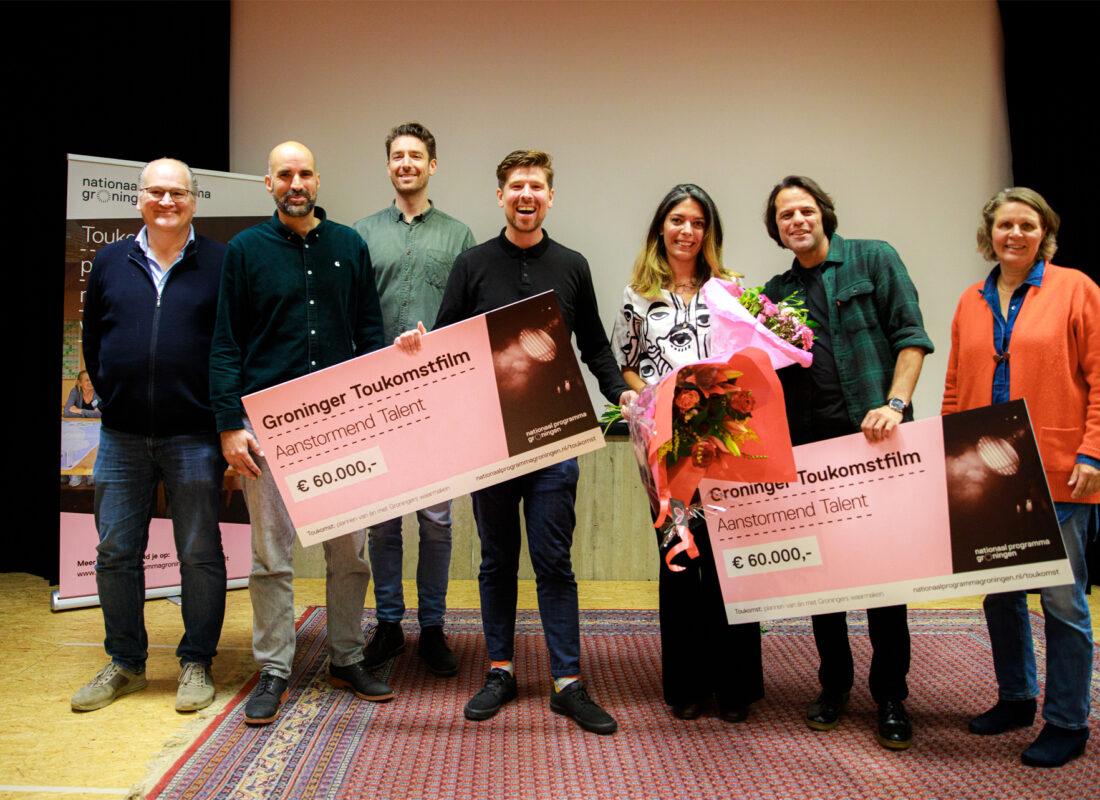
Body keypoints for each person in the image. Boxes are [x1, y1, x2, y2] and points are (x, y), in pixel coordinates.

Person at [396, 150, 637, 735]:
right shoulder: (473, 264)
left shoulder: (573, 265)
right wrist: (419, 347)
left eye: (535, 187)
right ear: (500, 196)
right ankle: (499, 670)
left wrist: (621, 394)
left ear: (550, 197)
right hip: (490, 442)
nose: (525, 195)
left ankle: (567, 682)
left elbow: (596, 348)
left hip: (556, 440)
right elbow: (449, 339)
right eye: (515, 187)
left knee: (555, 561)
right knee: (497, 560)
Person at [210, 141, 391, 726]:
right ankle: (275, 668)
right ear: (269, 184)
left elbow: (369, 334)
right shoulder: (243, 251)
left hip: (342, 425)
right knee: (270, 558)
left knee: (350, 552)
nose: (296, 182)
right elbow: (226, 345)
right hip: (266, 432)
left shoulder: (349, 246)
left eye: (305, 173)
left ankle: (346, 655)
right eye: (285, 173)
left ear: (318, 180)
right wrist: (229, 427)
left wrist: (377, 414)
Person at [762, 175, 933, 750]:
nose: (797, 221)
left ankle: (890, 696)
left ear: (823, 214)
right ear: (777, 228)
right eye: (785, 216)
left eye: (804, 210)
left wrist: (895, 404)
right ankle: (833, 685)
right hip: (811, 455)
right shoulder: (774, 291)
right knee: (823, 580)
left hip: (876, 443)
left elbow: (911, 336)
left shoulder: (873, 258)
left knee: (885, 577)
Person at [942, 187, 1098, 768]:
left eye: (1027, 225)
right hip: (988, 475)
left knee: (1063, 603)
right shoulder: (969, 301)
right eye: (1005, 225)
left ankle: (1066, 720)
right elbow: (956, 385)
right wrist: (950, 459)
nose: (1015, 234)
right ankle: (1015, 697)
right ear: (990, 235)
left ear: (1044, 233)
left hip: (1060, 473)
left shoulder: (1077, 289)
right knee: (1000, 595)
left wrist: (1093, 454)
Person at [72, 158, 227, 713]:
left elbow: (231, 347)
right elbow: (95, 341)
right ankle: (126, 664)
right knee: (115, 551)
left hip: (195, 435)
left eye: (177, 193)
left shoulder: (219, 262)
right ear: (139, 197)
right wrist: (116, 396)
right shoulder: (113, 260)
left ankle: (196, 663)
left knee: (200, 552)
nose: (167, 201)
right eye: (156, 192)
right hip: (122, 435)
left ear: (193, 199)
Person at [610, 184, 764, 722]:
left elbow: (751, 357)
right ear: (661, 228)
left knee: (728, 561)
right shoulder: (637, 294)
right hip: (665, 447)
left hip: (724, 443)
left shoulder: (730, 290)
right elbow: (625, 362)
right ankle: (686, 686)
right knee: (679, 559)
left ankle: (735, 687)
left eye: (698, 222)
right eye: (677, 220)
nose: (687, 231)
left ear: (708, 233)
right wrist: (646, 398)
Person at [353, 123, 475, 677]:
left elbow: (472, 319)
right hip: (374, 400)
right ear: (388, 166)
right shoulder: (360, 235)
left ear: (432, 166)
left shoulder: (459, 236)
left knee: (436, 520)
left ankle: (432, 628)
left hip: (435, 399)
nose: (407, 163)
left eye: (416, 156)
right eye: (397, 155)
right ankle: (386, 625)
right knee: (380, 522)